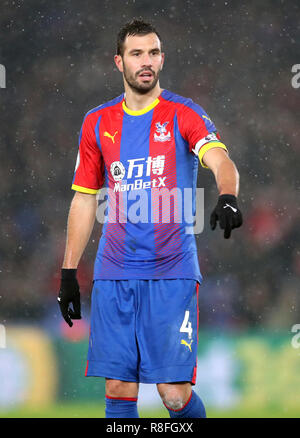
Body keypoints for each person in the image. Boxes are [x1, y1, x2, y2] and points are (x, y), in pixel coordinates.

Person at [57, 19, 243, 418]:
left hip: (171, 270)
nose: (146, 62)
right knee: (119, 386)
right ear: (118, 62)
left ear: (162, 59)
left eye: (153, 53)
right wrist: (69, 273)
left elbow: (221, 160)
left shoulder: (184, 113)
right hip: (114, 272)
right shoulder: (97, 122)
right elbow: (84, 200)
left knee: (173, 394)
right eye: (136, 53)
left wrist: (228, 196)